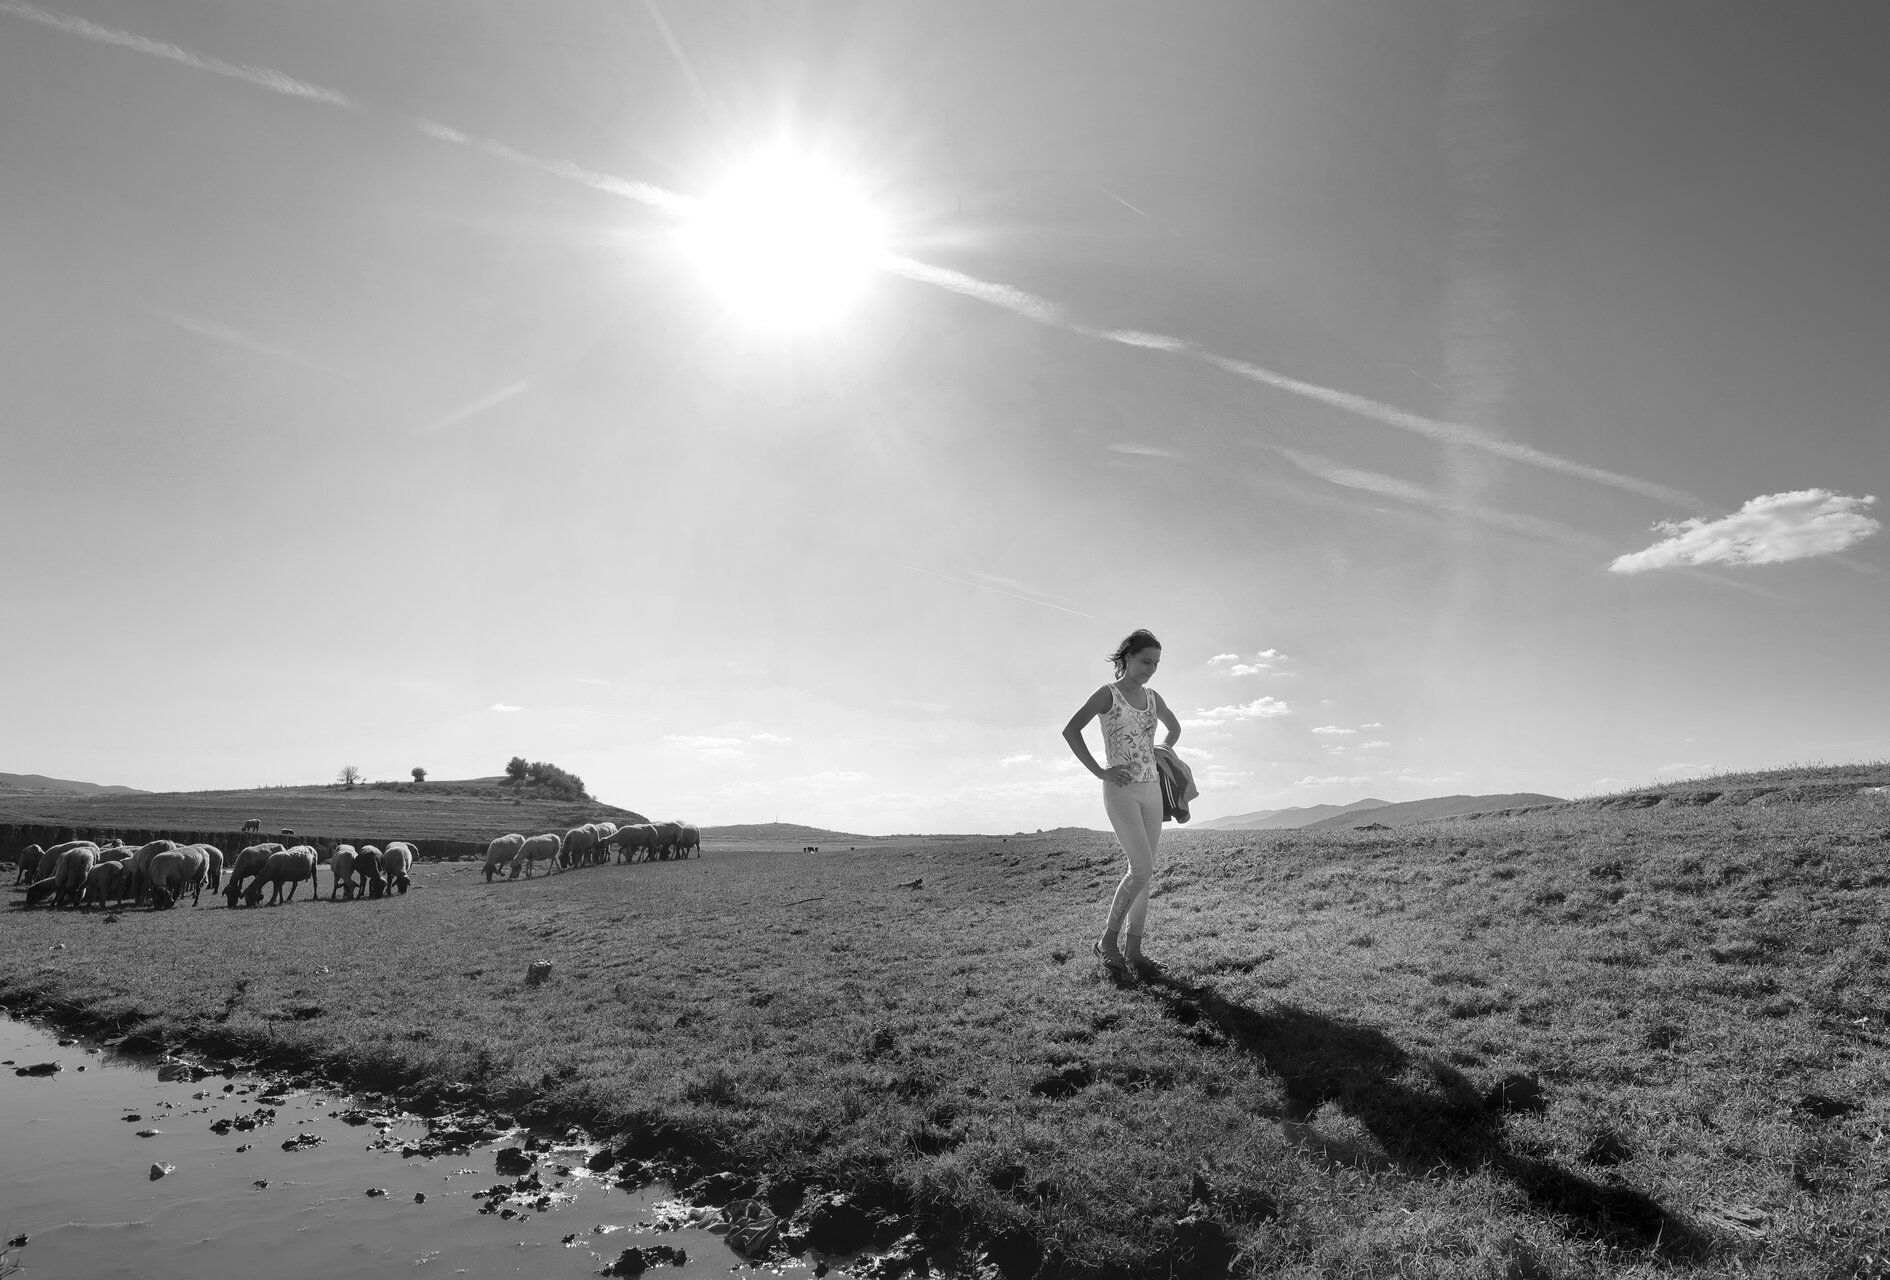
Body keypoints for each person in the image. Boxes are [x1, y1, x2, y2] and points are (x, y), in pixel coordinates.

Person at [1061, 629, 1181, 976]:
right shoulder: (1107, 694)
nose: (1151, 669)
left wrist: (1162, 751)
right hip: (1121, 790)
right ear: (1128, 658)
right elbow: (1071, 730)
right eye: (1145, 661)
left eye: (1156, 664)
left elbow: (1174, 728)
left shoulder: (1153, 698)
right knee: (1140, 868)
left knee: (1146, 873)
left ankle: (1135, 950)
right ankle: (1106, 942)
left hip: (1152, 791)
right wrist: (1101, 771)